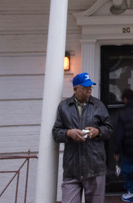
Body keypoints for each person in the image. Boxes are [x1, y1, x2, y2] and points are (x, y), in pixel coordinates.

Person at [53, 72, 113, 203]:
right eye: (85, 88)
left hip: (95, 167)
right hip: (72, 169)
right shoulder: (63, 107)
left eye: (90, 88)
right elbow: (56, 133)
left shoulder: (98, 105)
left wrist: (97, 131)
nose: (89, 91)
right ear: (75, 89)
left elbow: (109, 129)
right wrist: (69, 133)